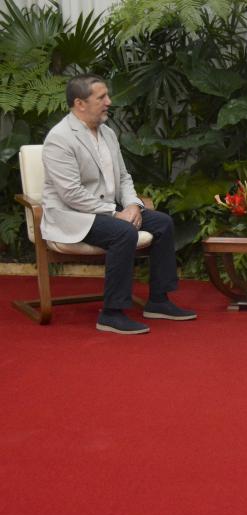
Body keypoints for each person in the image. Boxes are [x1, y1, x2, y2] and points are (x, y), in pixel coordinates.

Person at [41, 74, 196, 335]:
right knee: (123, 232)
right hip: (73, 215)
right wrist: (116, 213)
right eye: (101, 97)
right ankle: (111, 313)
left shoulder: (108, 133)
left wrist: (133, 205)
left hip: (107, 211)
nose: (109, 102)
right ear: (80, 103)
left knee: (162, 223)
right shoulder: (60, 138)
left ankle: (158, 301)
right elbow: (71, 194)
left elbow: (123, 177)